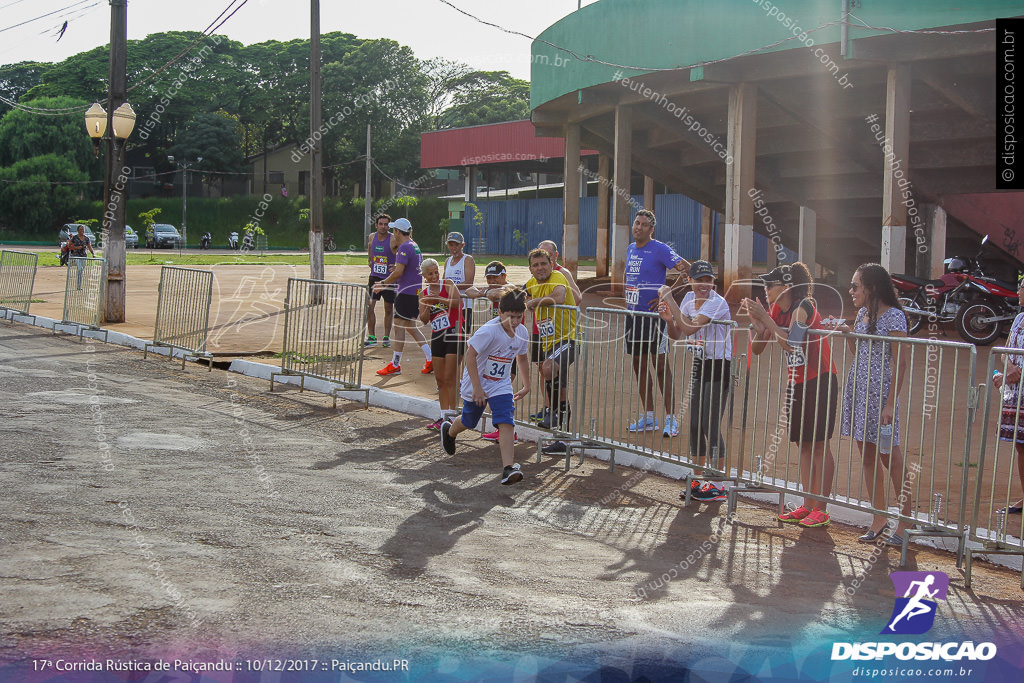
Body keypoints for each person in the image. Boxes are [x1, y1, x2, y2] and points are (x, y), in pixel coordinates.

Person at [741, 262, 838, 529]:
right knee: (804, 445)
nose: (766, 288)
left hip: (820, 379)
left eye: (770, 284)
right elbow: (759, 348)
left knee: (819, 444)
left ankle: (822, 507)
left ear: (785, 287)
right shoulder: (775, 309)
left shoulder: (803, 306)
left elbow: (793, 342)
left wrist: (767, 320)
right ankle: (808, 505)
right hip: (796, 383)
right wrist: (759, 326)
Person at [829, 263, 912, 545]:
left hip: (881, 396)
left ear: (872, 287)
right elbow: (860, 352)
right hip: (859, 391)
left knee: (891, 457)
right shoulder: (863, 314)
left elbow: (900, 362)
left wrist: (891, 404)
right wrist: (848, 334)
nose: (850, 291)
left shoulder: (895, 317)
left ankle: (905, 521)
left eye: (855, 286)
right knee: (866, 455)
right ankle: (879, 517)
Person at [657, 260, 733, 502]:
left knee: (711, 424)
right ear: (690, 280)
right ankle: (698, 481)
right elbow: (678, 333)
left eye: (708, 279)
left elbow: (689, 327)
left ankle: (719, 484)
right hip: (700, 364)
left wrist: (669, 299)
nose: (704, 285)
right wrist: (670, 320)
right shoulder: (689, 299)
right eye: (699, 279)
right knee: (694, 425)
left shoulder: (716, 302)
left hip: (720, 365)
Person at [440, 287, 531, 486]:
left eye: (519, 317)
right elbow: (470, 357)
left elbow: (522, 358)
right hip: (477, 381)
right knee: (469, 421)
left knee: (506, 420)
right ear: (500, 313)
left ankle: (508, 468)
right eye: (511, 317)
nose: (515, 322)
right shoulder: (489, 331)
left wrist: (527, 385)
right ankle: (449, 431)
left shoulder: (522, 332)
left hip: (500, 385)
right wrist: (477, 387)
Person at [624, 209, 691, 437]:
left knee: (661, 366)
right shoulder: (631, 249)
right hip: (633, 317)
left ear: (651, 230)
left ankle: (672, 419)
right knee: (638, 365)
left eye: (644, 225)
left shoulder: (660, 248)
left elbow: (687, 269)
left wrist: (668, 294)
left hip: (655, 318)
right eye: (636, 223)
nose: (638, 227)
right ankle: (649, 417)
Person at [529, 240, 584, 426]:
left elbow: (559, 297)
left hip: (569, 339)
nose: (540, 268)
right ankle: (562, 436)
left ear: (552, 263)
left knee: (548, 367)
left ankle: (552, 413)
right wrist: (489, 291)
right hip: (549, 342)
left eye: (544, 263)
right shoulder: (531, 283)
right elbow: (516, 294)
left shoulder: (559, 276)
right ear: (530, 269)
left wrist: (533, 302)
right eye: (535, 265)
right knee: (558, 386)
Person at [373, 218, 431, 376]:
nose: (392, 234)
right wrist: (396, 269)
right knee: (411, 327)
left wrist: (382, 283)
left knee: (398, 327)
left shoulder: (404, 248)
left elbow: (399, 272)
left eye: (394, 231)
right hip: (413, 293)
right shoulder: (414, 245)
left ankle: (395, 364)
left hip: (405, 293)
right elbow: (404, 269)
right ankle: (429, 358)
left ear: (398, 232)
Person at [466, 261, 515, 442]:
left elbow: (501, 292)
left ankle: (508, 428)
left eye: (495, 277)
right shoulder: (491, 290)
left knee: (504, 390)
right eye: (489, 278)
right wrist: (484, 291)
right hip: (495, 350)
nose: (492, 281)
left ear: (504, 276)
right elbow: (469, 290)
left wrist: (484, 292)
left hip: (509, 348)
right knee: (499, 390)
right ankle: (502, 427)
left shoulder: (510, 289)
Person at [992, 276, 1024, 516]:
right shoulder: (1019, 318)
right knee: (1021, 447)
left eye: (1022, 288)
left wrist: (1016, 372)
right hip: (1017, 393)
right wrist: (1009, 369)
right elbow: (1005, 350)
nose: (1019, 291)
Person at [419, 258, 463, 430]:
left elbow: (457, 302)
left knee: (451, 377)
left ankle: (453, 415)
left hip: (453, 333)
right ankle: (444, 416)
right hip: (437, 335)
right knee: (440, 379)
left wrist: (438, 299)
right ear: (424, 276)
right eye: (430, 274)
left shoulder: (448, 284)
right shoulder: (423, 294)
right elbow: (423, 320)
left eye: (436, 272)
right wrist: (429, 305)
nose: (435, 276)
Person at [365, 213, 396, 348]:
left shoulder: (393, 239)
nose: (383, 227)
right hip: (374, 278)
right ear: (376, 225)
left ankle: (386, 337)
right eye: (381, 224)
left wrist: (397, 266)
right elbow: (370, 247)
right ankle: (371, 336)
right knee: (369, 306)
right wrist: (369, 260)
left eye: (386, 224)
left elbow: (404, 249)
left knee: (388, 308)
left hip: (388, 279)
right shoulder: (372, 237)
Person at [443, 232, 475, 335]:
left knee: (463, 336)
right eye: (451, 245)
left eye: (456, 245)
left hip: (464, 306)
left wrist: (451, 287)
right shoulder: (447, 261)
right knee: (450, 337)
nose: (454, 248)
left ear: (462, 245)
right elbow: (444, 282)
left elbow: (469, 282)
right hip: (450, 306)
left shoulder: (467, 260)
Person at [67, 225, 95, 290]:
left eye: (83, 230)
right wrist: (76, 247)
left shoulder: (87, 238)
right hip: (76, 255)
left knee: (81, 270)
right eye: (80, 230)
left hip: (83, 256)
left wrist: (93, 253)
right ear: (78, 230)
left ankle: (79, 284)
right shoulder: (75, 237)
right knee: (80, 268)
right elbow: (69, 245)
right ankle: (78, 285)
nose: (82, 231)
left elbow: (89, 246)